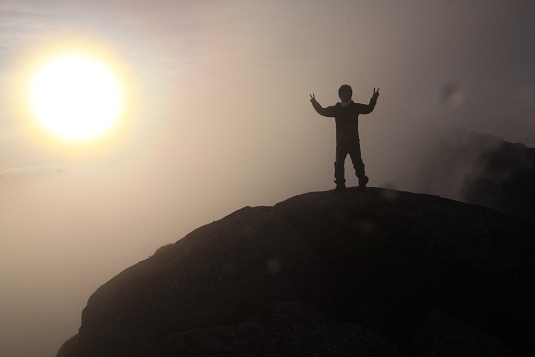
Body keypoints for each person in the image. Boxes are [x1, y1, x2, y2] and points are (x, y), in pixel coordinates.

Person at [310, 84, 379, 191]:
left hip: (353, 140)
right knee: (339, 163)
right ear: (340, 95)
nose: (344, 94)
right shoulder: (336, 109)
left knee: (357, 162)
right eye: (342, 93)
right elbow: (322, 111)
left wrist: (374, 98)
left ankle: (362, 181)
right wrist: (314, 103)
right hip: (341, 141)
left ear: (350, 94)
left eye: (346, 92)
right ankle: (340, 184)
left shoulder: (355, 107)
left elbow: (368, 109)